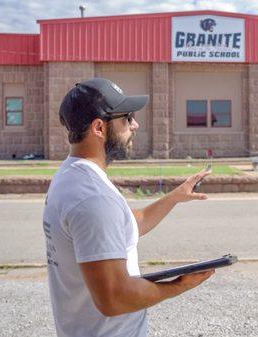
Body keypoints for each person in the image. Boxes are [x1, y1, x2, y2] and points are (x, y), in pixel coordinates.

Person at [42, 78, 214, 337]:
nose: (135, 125)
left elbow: (127, 226)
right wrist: (179, 286)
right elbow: (114, 298)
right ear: (99, 127)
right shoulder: (93, 198)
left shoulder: (70, 176)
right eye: (127, 118)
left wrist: (174, 197)